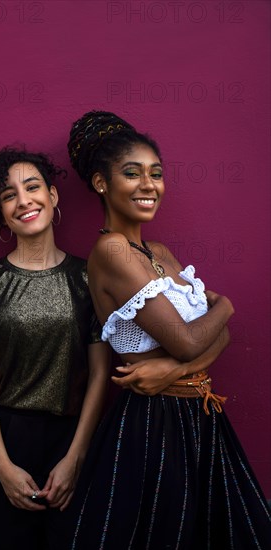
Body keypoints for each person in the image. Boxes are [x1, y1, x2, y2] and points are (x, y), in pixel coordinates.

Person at [65, 111, 271, 549]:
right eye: (132, 174)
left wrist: (174, 372)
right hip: (155, 424)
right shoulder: (112, 250)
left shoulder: (158, 251)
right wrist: (227, 305)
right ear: (101, 183)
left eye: (156, 174)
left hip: (200, 412)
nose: (149, 185)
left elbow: (219, 339)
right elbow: (189, 340)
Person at [0, 145, 111, 550]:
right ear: (2, 212)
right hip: (5, 438)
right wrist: (1, 465)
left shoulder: (87, 278)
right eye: (9, 195)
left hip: (73, 438)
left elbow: (99, 375)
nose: (23, 201)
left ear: (53, 196)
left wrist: (75, 458)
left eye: (32, 187)